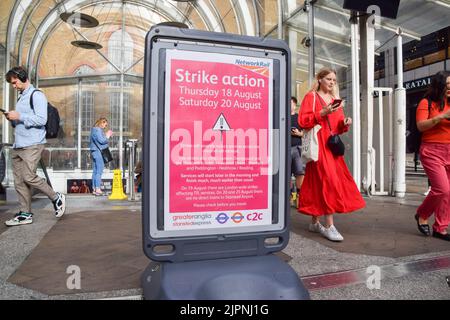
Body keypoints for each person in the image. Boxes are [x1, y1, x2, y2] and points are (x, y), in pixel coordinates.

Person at [297, 67, 365, 241]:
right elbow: (303, 121)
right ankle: (328, 225)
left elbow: (337, 128)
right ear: (319, 79)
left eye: (334, 80)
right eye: (328, 79)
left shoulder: (335, 99)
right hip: (318, 144)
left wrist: (345, 123)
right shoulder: (311, 97)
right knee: (329, 181)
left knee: (318, 183)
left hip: (331, 146)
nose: (332, 82)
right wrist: (322, 112)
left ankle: (314, 222)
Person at [3, 66, 66, 226]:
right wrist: (13, 118)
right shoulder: (21, 97)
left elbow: (41, 120)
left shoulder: (37, 95)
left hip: (33, 143)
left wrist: (19, 116)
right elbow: (24, 119)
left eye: (15, 82)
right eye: (12, 83)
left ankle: (55, 197)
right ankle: (25, 213)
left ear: (23, 77)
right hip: (19, 143)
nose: (14, 86)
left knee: (28, 176)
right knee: (19, 181)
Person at [414, 70, 450, 241]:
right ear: (439, 85)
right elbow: (421, 126)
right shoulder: (426, 102)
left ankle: (440, 228)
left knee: (448, 193)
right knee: (442, 189)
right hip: (432, 151)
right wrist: (441, 117)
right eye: (448, 84)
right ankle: (422, 213)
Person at [90, 117, 112, 196]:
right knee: (99, 171)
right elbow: (102, 141)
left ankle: (94, 188)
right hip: (99, 152)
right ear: (101, 123)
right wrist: (107, 136)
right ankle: (98, 189)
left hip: (94, 152)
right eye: (105, 125)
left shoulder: (93, 130)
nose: (105, 127)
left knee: (95, 171)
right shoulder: (98, 130)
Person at [290, 96, 305, 207]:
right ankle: (292, 197)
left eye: (291, 103)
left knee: (299, 173)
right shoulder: (282, 117)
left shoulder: (299, 118)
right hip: (284, 149)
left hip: (297, 148)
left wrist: (299, 134)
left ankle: (299, 198)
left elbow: (307, 134)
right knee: (287, 175)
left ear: (295, 105)